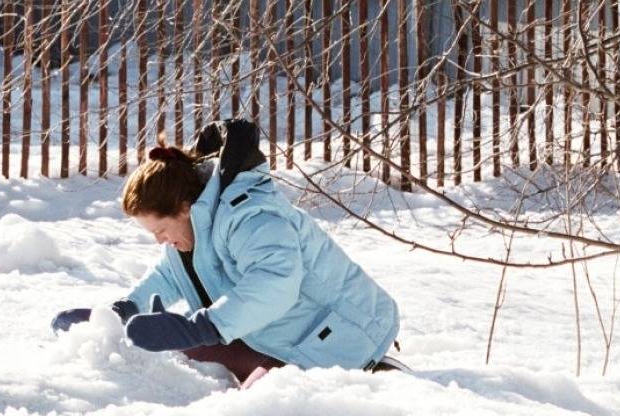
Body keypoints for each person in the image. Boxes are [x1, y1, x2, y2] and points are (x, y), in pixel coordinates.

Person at [52, 119, 403, 387]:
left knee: (262, 407)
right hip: (278, 340)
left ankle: (381, 372)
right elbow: (169, 275)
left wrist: (203, 326)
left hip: (343, 341)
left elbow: (275, 285)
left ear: (184, 208)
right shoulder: (195, 224)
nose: (159, 241)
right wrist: (124, 311)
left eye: (159, 230)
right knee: (177, 354)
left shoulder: (251, 215)